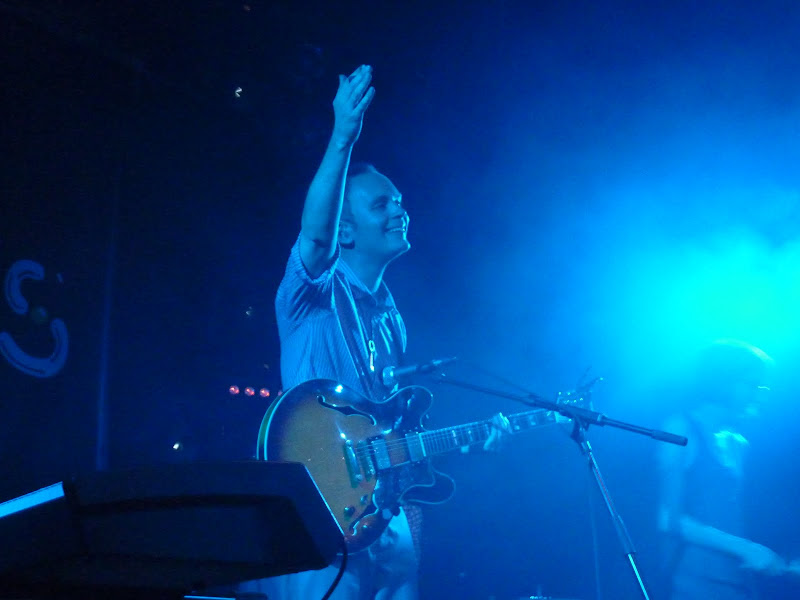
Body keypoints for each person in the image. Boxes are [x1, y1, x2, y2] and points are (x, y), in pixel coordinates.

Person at [238, 64, 507, 599]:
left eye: (399, 201)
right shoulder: (311, 292)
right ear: (345, 229)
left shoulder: (389, 314)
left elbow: (386, 432)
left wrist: (463, 441)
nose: (399, 211)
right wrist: (343, 134)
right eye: (381, 204)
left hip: (382, 517)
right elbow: (315, 239)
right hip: (319, 511)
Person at [657, 338, 789, 599]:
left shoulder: (737, 443)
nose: (760, 394)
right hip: (693, 584)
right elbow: (667, 518)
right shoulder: (680, 428)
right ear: (723, 381)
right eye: (752, 385)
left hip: (737, 582)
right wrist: (746, 548)